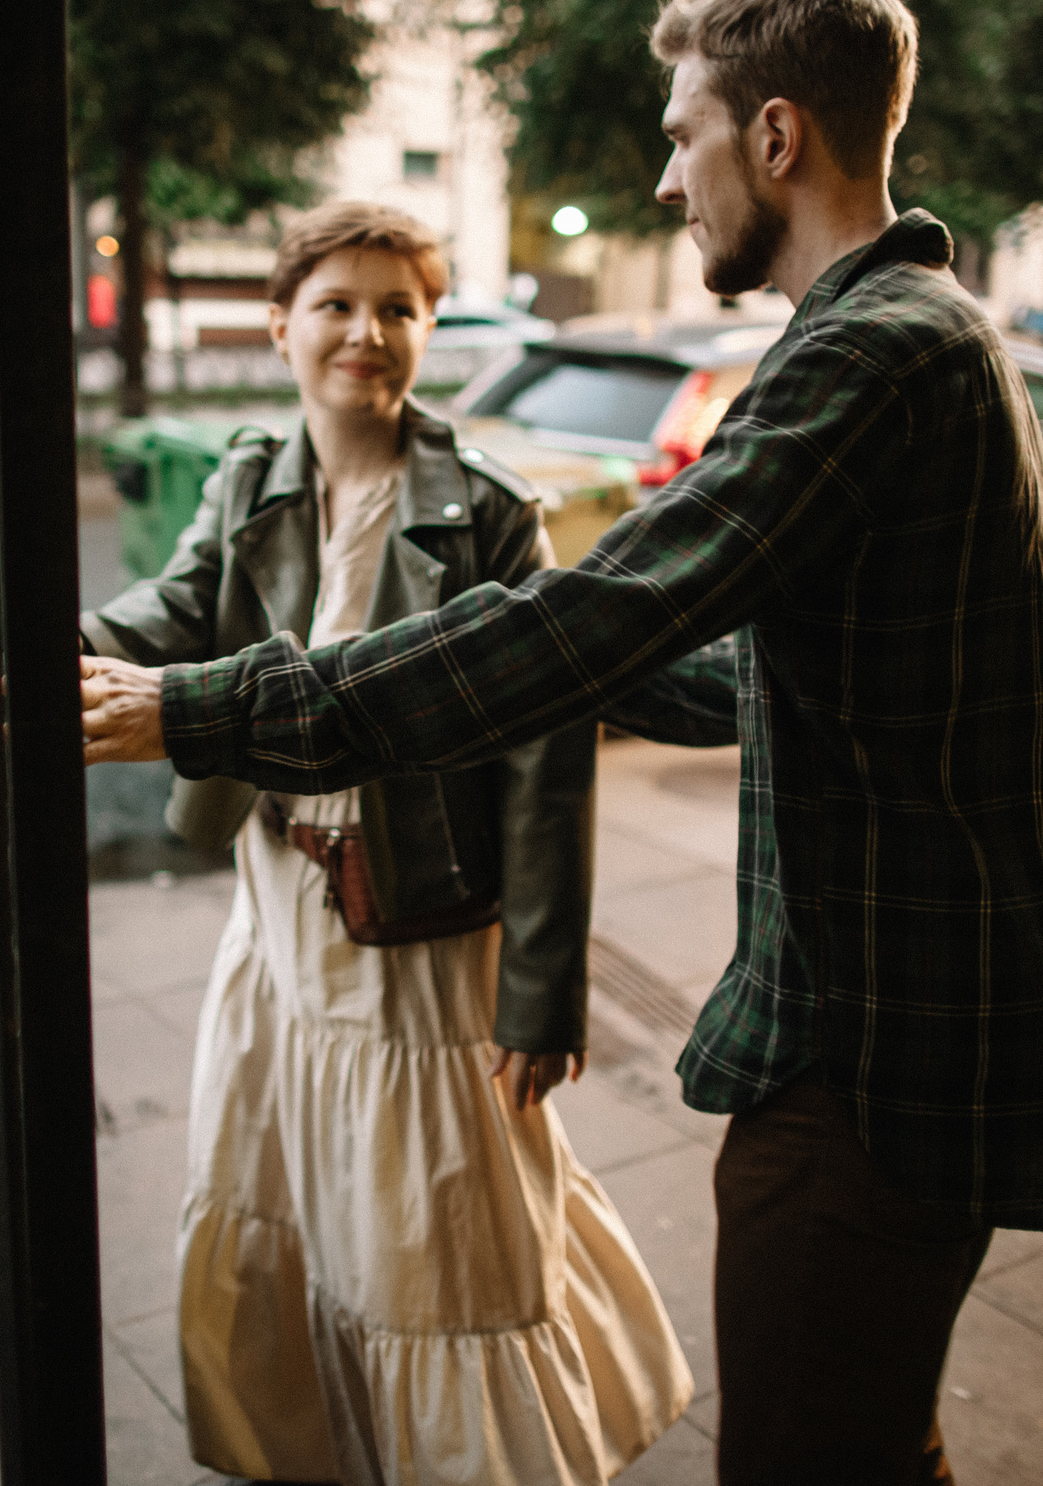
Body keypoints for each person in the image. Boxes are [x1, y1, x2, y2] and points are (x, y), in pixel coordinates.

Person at [80, 0, 1043, 1485]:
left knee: (804, 1452)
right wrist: (463, 636)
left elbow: (596, 623)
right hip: (920, 1011)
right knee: (867, 1427)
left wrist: (218, 709)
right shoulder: (917, 332)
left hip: (893, 1045)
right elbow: (732, 672)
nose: (669, 183)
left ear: (775, 135)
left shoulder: (868, 353)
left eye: (683, 134)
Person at [81, 201, 691, 1486]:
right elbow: (176, 608)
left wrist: (541, 991)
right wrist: (67, 636)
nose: (368, 332)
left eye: (399, 308)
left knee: (438, 1237)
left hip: (419, 935)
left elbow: (543, 768)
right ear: (280, 324)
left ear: (431, 329)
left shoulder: (483, 512)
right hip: (277, 923)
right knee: (299, 1208)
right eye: (338, 305)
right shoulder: (251, 478)